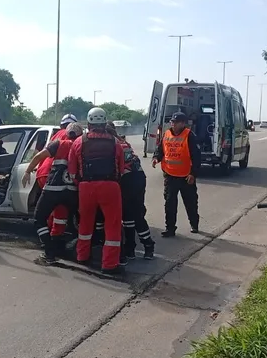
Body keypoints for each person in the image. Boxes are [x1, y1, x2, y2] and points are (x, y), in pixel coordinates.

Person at [68, 107, 125, 274]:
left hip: (86, 188)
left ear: (89, 123)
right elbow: (121, 170)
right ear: (104, 122)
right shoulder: (116, 143)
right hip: (110, 187)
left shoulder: (79, 142)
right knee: (112, 225)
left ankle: (82, 256)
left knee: (85, 223)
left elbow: (72, 172)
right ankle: (109, 264)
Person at [22, 122, 84, 263]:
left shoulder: (59, 143)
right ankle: (67, 247)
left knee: (39, 219)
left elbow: (38, 157)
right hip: (72, 192)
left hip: (53, 189)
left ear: (66, 132)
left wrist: (27, 171)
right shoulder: (82, 146)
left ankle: (49, 252)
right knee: (70, 219)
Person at [106, 122, 155, 261]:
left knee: (132, 215)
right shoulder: (123, 141)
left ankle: (144, 246)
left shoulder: (112, 144)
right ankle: (136, 248)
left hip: (128, 179)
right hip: (138, 177)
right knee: (131, 215)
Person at [152, 111, 201, 237]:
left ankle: (194, 224)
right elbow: (160, 150)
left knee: (190, 203)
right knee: (169, 203)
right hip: (170, 175)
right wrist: (156, 158)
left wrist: (193, 174)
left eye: (175, 122)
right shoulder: (166, 134)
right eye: (172, 122)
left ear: (183, 123)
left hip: (186, 176)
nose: (172, 124)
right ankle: (170, 229)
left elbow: (196, 157)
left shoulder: (189, 136)